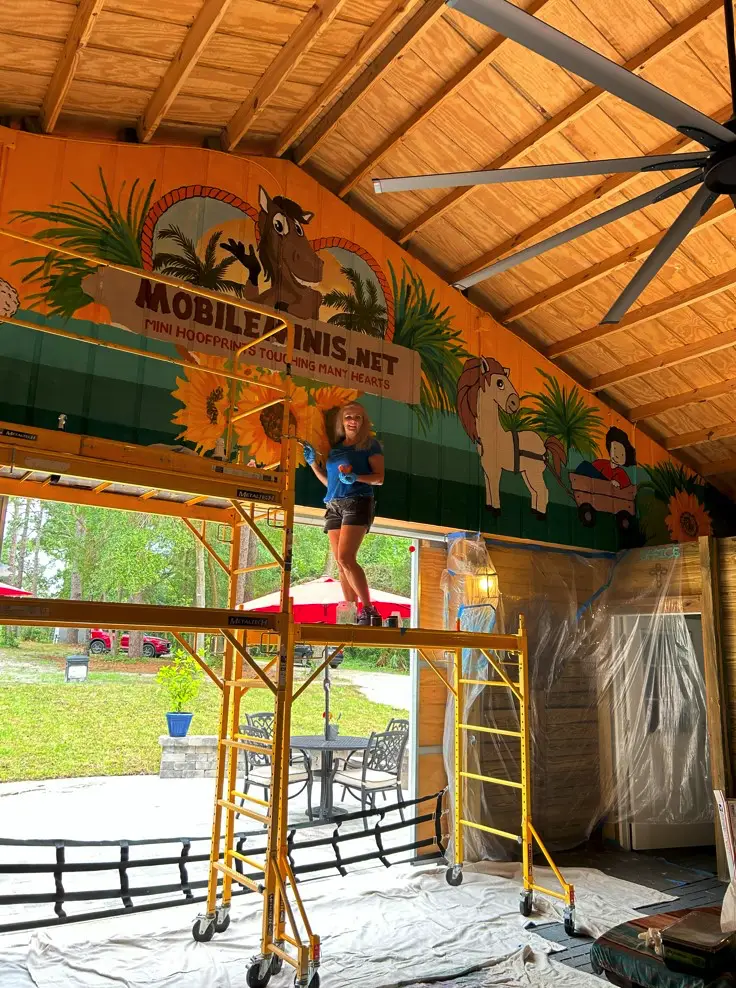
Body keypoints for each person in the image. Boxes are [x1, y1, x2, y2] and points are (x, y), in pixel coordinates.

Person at [303, 402, 384, 625]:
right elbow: (330, 484)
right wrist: (313, 464)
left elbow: (379, 478)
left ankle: (369, 609)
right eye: (348, 417)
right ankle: (351, 612)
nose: (352, 421)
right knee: (340, 564)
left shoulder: (370, 445)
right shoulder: (336, 450)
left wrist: (356, 477)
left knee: (346, 558)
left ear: (363, 421)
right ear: (342, 421)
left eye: (357, 417)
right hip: (333, 504)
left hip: (358, 501)